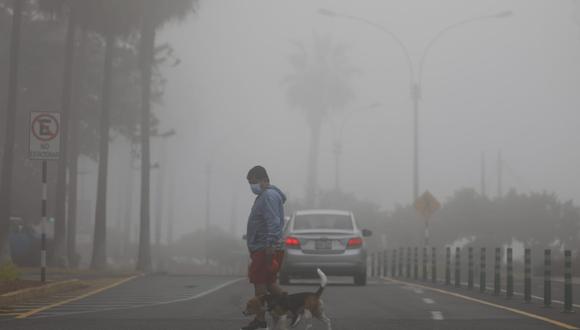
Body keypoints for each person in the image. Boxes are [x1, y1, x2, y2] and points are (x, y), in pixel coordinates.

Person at [241, 165, 287, 330]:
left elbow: (273, 223)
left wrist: (269, 246)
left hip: (265, 247)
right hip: (264, 247)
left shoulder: (268, 196)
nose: (251, 186)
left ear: (263, 180)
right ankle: (290, 307)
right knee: (268, 282)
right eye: (249, 183)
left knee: (260, 281)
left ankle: (260, 321)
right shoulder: (266, 195)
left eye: (253, 182)